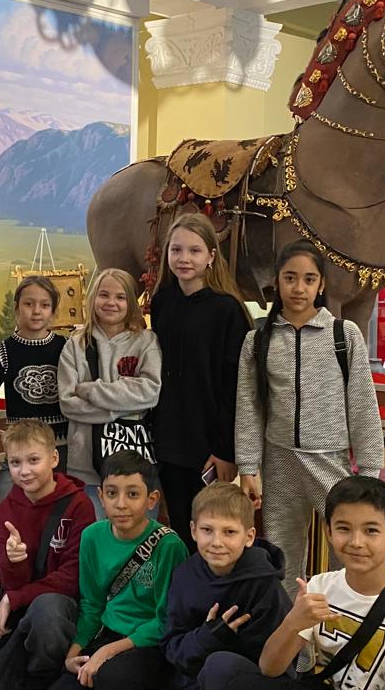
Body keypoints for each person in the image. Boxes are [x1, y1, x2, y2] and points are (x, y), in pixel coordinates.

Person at [199, 476, 385, 690]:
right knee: (221, 666)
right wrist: (293, 623)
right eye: (344, 528)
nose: (356, 542)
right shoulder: (320, 587)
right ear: (328, 531)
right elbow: (270, 668)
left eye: (371, 531)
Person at [235, 240, 384, 597]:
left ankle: (341, 624)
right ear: (277, 282)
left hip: (330, 461)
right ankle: (291, 632)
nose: (298, 288)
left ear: (321, 285)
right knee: (282, 558)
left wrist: (370, 469)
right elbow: (249, 407)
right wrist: (248, 467)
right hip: (279, 462)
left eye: (308, 279)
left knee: (348, 553)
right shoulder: (258, 340)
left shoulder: (344, 335)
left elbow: (362, 403)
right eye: (290, 278)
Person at [150, 213, 252, 550]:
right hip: (167, 441)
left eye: (194, 251)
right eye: (176, 250)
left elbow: (234, 387)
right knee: (179, 529)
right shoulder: (162, 301)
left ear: (211, 255)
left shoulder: (227, 310)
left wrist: (225, 450)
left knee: (209, 532)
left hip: (207, 447)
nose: (184, 258)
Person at [50, 450, 186, 690]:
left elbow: (167, 619)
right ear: (101, 497)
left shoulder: (169, 546)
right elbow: (92, 605)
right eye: (112, 493)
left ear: (151, 499)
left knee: (109, 679)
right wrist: (73, 653)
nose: (121, 504)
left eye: (133, 494)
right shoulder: (91, 536)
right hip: (106, 634)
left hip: (149, 643)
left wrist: (108, 651)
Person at [0, 420, 93, 690]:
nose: (24, 471)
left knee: (47, 611)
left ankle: (43, 676)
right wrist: (14, 563)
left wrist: (12, 598)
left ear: (54, 458)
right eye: (15, 463)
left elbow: (72, 578)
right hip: (23, 606)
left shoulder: (79, 505)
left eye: (33, 460)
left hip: (60, 605)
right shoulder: (6, 510)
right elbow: (10, 581)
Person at [0, 274, 70, 581]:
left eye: (44, 305)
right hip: (19, 454)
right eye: (29, 304)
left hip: (62, 452)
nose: (36, 311)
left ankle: (54, 587)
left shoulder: (66, 348)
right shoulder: (5, 350)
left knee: (58, 527)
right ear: (16, 308)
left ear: (53, 310)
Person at [160, 483, 291, 689]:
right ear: (193, 531)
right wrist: (207, 638)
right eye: (207, 530)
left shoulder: (265, 585)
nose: (216, 542)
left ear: (249, 537)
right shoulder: (184, 575)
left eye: (229, 532)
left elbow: (276, 663)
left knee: (219, 666)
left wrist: (224, 644)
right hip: (193, 678)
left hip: (247, 679)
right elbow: (172, 649)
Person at [57, 268, 161, 518]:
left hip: (136, 462)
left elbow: (150, 392)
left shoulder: (146, 341)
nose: (111, 302)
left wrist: (91, 389)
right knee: (93, 533)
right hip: (86, 466)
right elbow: (68, 403)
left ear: (131, 302)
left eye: (120, 297)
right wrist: (122, 407)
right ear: (93, 298)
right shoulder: (76, 344)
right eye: (104, 295)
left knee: (140, 535)